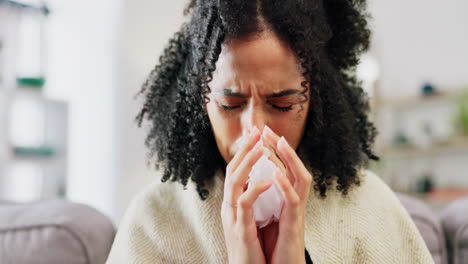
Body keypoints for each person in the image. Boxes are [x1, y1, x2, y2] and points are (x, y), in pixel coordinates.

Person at [106, 0, 434, 263]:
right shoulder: (154, 222)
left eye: (282, 104)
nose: (256, 129)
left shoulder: (369, 206)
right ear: (199, 100)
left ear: (316, 102)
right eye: (231, 104)